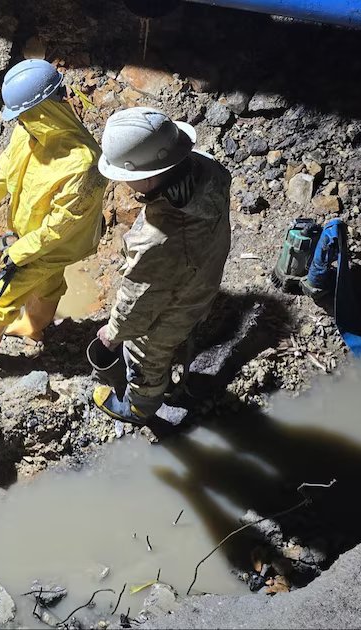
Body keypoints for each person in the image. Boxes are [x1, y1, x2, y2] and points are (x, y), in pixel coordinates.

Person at [0, 59, 108, 372]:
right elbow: (1, 173)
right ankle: (34, 326)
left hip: (54, 244)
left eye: (23, 114)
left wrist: (18, 252)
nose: (18, 121)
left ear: (42, 110)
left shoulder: (83, 163)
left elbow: (58, 229)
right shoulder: (28, 133)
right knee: (48, 283)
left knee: (0, 296)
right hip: (33, 237)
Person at [91, 106, 232, 422]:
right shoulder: (206, 168)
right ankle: (182, 363)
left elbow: (140, 300)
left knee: (145, 354)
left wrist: (114, 333)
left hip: (176, 303)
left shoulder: (158, 239)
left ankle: (141, 406)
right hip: (205, 277)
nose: (125, 184)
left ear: (149, 176)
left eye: (128, 177)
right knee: (184, 327)